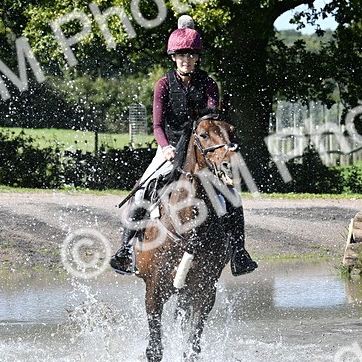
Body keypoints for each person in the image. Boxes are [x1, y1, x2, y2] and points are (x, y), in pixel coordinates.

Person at [109, 15, 258, 276]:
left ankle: (239, 254)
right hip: (170, 147)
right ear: (173, 58)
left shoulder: (209, 84)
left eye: (191, 55)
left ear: (197, 57)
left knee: (233, 197)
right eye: (181, 55)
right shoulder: (164, 84)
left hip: (202, 150)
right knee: (142, 191)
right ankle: (125, 251)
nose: (186, 60)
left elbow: (211, 119)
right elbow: (156, 125)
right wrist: (165, 147)